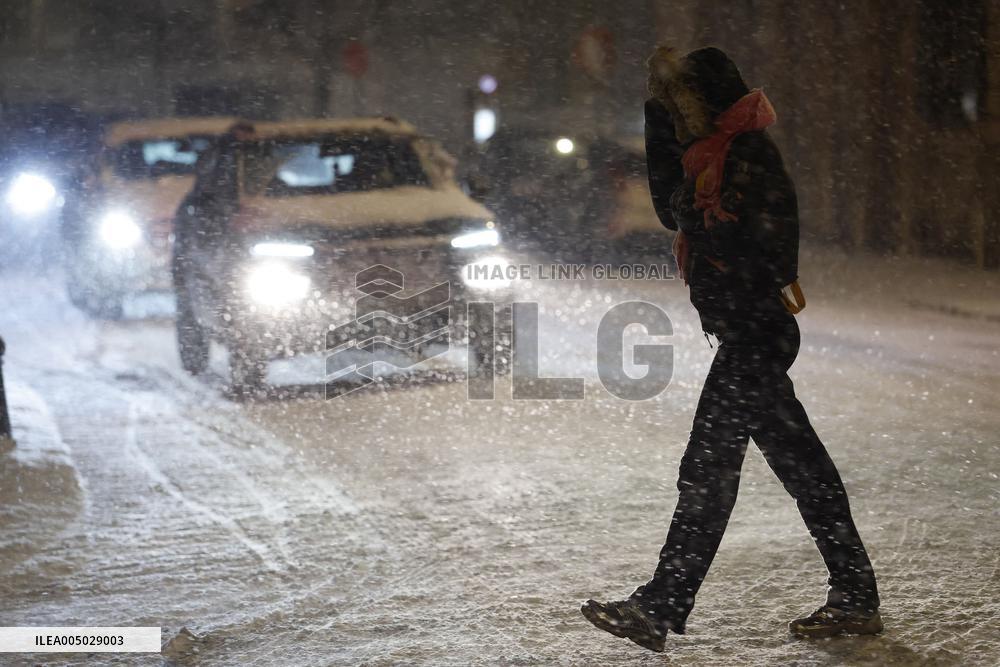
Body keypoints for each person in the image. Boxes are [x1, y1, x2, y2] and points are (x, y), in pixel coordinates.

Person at [580, 46, 882, 653]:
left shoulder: (746, 157)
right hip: (748, 333)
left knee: (709, 470)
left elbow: (748, 243)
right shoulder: (712, 156)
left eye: (682, 107)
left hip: (755, 334)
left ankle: (660, 606)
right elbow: (676, 210)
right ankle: (855, 597)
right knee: (804, 470)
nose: (681, 120)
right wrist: (653, 113)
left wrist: (713, 229)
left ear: (710, 105)